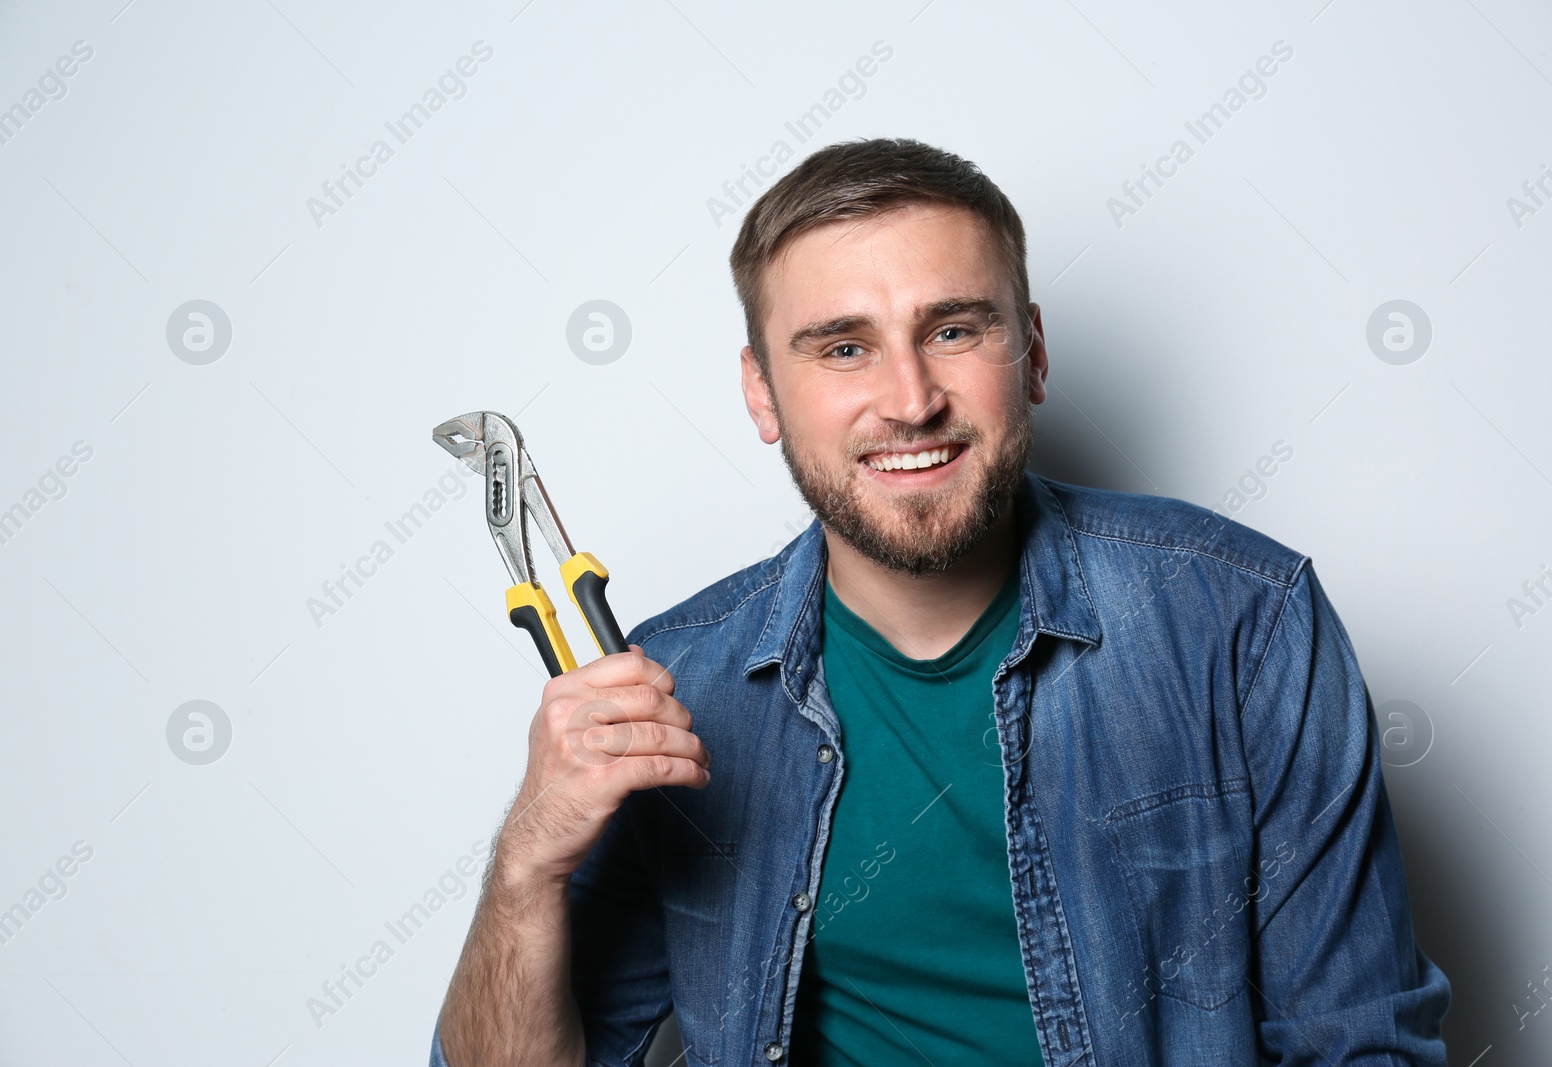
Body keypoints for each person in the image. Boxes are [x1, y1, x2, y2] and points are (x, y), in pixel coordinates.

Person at [430, 137, 1450, 1066]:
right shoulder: (673, 683)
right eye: (842, 347)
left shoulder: (1242, 623)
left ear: (1033, 351)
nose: (909, 397)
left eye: (953, 329)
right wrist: (527, 860)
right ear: (760, 393)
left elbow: (1362, 1044)